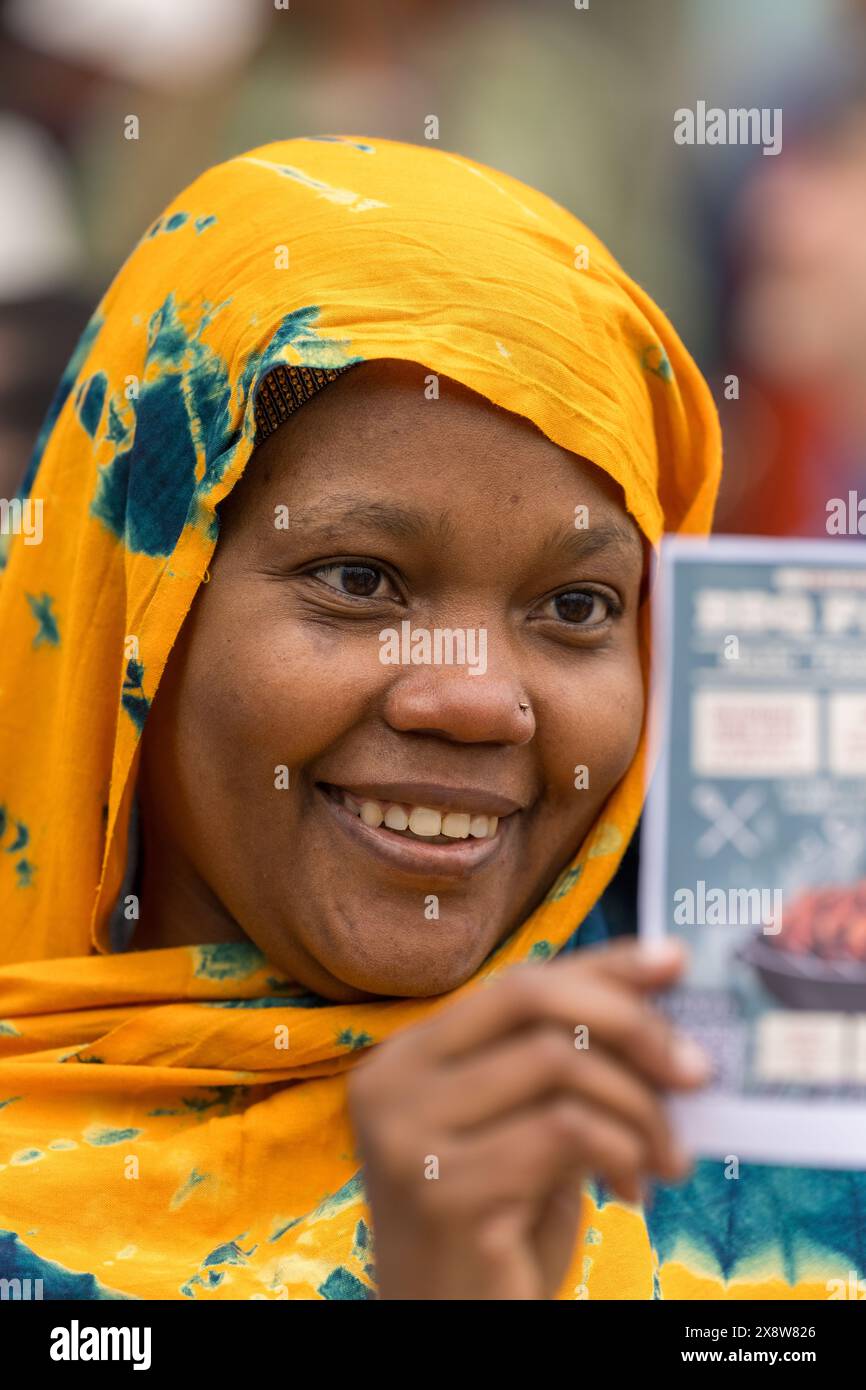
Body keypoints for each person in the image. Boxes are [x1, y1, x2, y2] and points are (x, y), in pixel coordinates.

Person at [0, 134, 840, 1302]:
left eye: (576, 605)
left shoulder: (777, 1169)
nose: (477, 698)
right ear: (140, 611)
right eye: (356, 579)